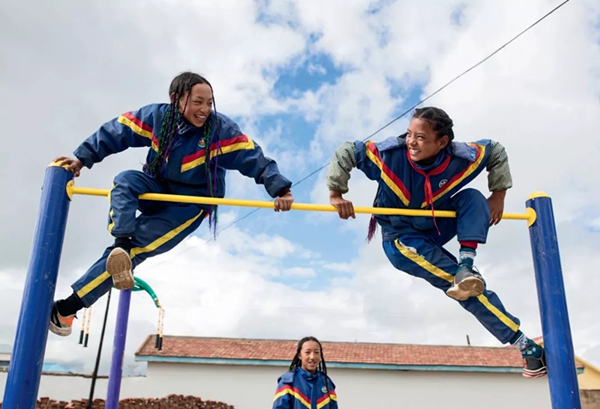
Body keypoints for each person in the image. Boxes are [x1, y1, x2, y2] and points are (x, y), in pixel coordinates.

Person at [49, 71, 294, 337]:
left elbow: (253, 156)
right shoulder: (156, 117)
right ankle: (121, 241)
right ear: (176, 99)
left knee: (135, 250)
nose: (204, 110)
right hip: (156, 188)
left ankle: (66, 309)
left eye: (210, 103)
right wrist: (82, 158)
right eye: (197, 102)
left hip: (189, 205)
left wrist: (280, 188)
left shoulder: (221, 130)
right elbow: (115, 132)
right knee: (125, 181)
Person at [325, 107, 546, 378]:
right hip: (402, 240)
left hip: (436, 224)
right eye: (409, 134)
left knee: (472, 197)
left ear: (442, 142)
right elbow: (347, 151)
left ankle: (467, 262)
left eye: (420, 137)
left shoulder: (460, 158)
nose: (411, 142)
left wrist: (498, 194)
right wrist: (336, 193)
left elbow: (495, 150)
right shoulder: (388, 156)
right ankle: (525, 347)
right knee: (461, 286)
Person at [273, 336, 338, 409]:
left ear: (320, 356)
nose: (312, 357)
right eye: (307, 352)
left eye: (316, 352)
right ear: (300, 355)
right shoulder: (288, 382)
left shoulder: (326, 382)